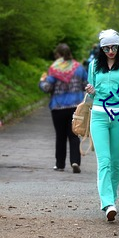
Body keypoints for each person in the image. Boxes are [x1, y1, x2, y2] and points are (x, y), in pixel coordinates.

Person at [85, 29, 119, 221]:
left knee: (116, 162)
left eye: (114, 47)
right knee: (104, 161)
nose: (110, 51)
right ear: (101, 48)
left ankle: (112, 200)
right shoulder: (94, 66)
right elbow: (91, 94)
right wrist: (90, 90)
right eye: (106, 48)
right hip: (98, 116)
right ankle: (107, 203)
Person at [39, 43, 88, 173]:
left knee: (60, 136)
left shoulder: (54, 69)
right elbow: (86, 85)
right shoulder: (79, 68)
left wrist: (42, 81)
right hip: (75, 107)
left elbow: (47, 88)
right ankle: (75, 161)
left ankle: (60, 164)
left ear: (58, 55)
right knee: (74, 135)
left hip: (58, 107)